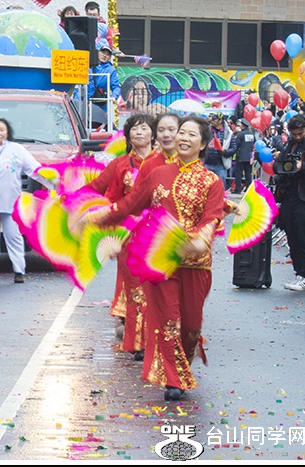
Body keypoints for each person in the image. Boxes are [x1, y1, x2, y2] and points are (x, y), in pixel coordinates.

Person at [89, 116, 225, 402]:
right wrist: (98, 217)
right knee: (168, 321)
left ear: (203, 144)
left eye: (191, 135)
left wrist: (199, 240)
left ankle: (182, 364)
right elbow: (130, 204)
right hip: (159, 261)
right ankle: (174, 380)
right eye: (182, 133)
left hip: (195, 263)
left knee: (190, 326)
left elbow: (212, 217)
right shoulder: (158, 174)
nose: (184, 138)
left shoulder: (212, 181)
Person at [82, 113, 156, 361]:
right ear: (128, 136)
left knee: (157, 287)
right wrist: (72, 197)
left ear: (153, 134)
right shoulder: (120, 164)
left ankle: (155, 337)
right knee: (136, 289)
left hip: (159, 232)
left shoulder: (165, 161)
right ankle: (139, 342)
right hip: (128, 233)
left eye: (144, 128)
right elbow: (100, 189)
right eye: (134, 129)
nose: (139, 133)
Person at [0, 118, 53, 284]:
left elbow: (34, 169)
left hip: (11, 201)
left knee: (14, 236)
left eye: (2, 129)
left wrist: (52, 183)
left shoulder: (17, 150)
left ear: (7, 132)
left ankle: (18, 270)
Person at [273, 115, 305, 291]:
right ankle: (300, 273)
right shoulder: (290, 144)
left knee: (304, 237)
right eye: (295, 134)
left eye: (301, 133)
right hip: (289, 195)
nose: (298, 136)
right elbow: (280, 165)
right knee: (292, 235)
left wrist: (303, 166)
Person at [225, 118, 255, 195]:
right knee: (248, 174)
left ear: (243, 126)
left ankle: (237, 189)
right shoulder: (252, 134)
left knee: (238, 174)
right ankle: (248, 189)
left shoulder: (240, 134)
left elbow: (236, 145)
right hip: (249, 156)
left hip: (241, 156)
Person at [203, 112, 233, 188]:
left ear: (220, 121)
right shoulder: (207, 131)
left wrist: (225, 152)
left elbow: (234, 148)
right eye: (211, 119)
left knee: (220, 187)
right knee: (205, 187)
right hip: (207, 163)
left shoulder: (228, 133)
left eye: (214, 119)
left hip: (220, 165)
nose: (211, 121)